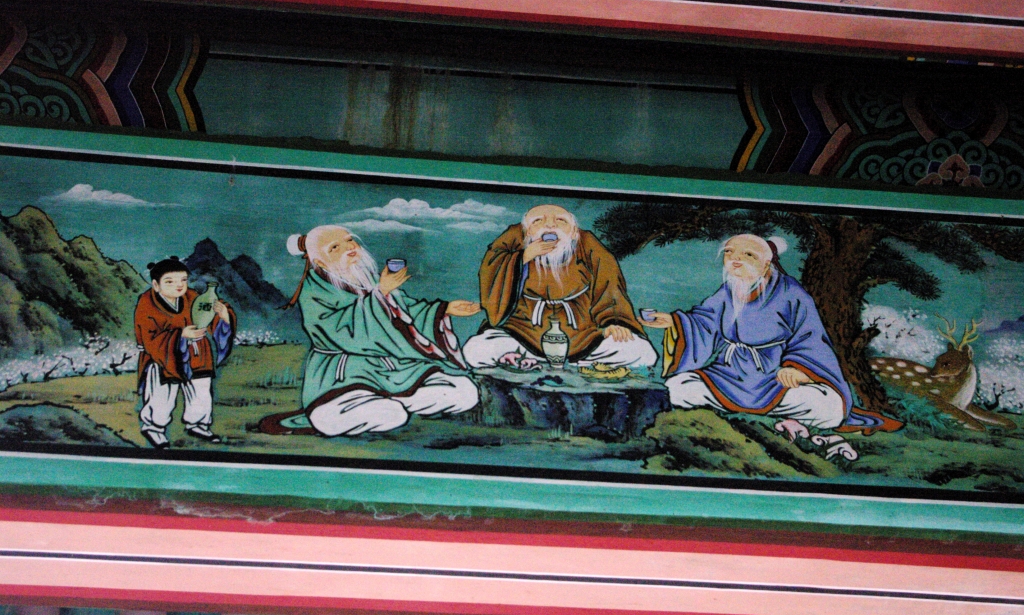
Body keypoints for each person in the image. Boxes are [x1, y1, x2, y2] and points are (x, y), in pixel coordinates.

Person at [640, 234, 900, 437]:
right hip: (728, 375)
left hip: (775, 379)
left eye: (747, 254)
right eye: (729, 252)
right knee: (678, 387)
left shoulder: (791, 293)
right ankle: (755, 412)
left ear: (766, 263)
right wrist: (674, 321)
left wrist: (799, 370)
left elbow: (810, 338)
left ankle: (752, 411)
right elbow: (704, 321)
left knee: (829, 408)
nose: (735, 259)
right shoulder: (728, 290)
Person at [258, 225, 481, 437]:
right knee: (389, 415)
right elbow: (341, 330)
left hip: (393, 370)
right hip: (344, 375)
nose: (349, 247)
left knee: (464, 391)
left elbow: (404, 311)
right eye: (335, 247)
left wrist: (443, 310)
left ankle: (391, 402)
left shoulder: (368, 279)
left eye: (349, 240)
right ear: (320, 262)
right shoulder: (313, 292)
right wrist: (381, 293)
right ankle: (370, 407)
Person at [464, 204, 656, 368]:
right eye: (538, 221)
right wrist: (524, 257)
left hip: (583, 333)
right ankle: (528, 359)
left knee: (642, 352)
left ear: (573, 232)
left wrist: (614, 322)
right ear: (527, 231)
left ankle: (571, 364)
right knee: (476, 349)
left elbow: (610, 286)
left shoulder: (587, 244)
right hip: (524, 329)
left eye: (560, 220)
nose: (550, 225)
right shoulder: (514, 239)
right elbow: (493, 271)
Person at [134, 256, 236, 448]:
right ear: (156, 285)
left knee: (201, 391)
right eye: (170, 281)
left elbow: (208, 313)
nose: (179, 285)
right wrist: (180, 335)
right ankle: (154, 427)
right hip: (164, 355)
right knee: (162, 395)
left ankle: (198, 424)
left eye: (183, 280)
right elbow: (148, 337)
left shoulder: (192, 297)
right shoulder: (147, 302)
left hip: (197, 352)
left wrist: (223, 315)